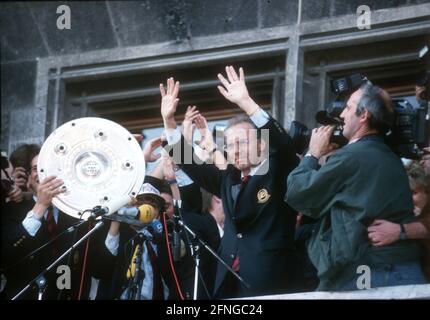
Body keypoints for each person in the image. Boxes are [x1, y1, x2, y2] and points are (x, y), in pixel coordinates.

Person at [160, 66, 299, 298]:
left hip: (270, 281)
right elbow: (189, 163)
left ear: (261, 144)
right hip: (227, 282)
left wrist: (247, 103)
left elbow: (283, 145)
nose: (234, 150)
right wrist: (168, 121)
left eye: (242, 143)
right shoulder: (229, 178)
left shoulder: (277, 171)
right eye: (230, 145)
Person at [285, 81, 427, 291]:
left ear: (364, 116)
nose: (341, 115)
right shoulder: (390, 156)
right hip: (399, 269)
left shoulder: (351, 157)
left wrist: (311, 154)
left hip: (370, 274)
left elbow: (298, 193)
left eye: (349, 107)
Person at [1, 153, 85, 299]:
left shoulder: (76, 214)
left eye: (49, 167)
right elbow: (5, 256)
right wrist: (40, 206)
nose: (43, 172)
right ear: (28, 179)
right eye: (36, 168)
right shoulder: (11, 209)